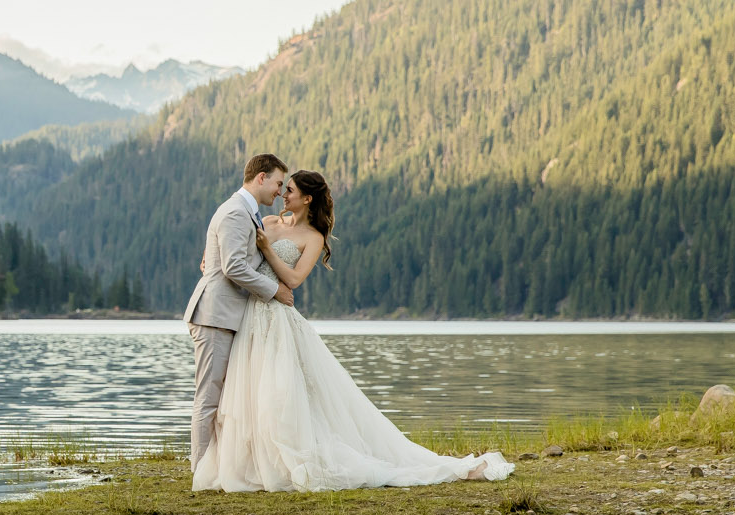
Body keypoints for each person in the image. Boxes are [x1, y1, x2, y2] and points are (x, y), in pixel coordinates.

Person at [193, 169, 513, 491]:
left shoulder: (313, 237)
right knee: (250, 392)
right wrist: (214, 255)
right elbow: (237, 252)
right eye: (282, 188)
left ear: (307, 198)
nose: (282, 195)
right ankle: (250, 459)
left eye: (289, 190)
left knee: (280, 393)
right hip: (249, 316)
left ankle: (287, 459)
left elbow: (292, 281)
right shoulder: (268, 224)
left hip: (277, 317)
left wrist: (268, 250)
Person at [182, 154, 294, 470]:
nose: (279, 191)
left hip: (227, 316)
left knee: (223, 397)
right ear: (260, 177)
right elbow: (233, 267)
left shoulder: (248, 213)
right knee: (209, 397)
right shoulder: (234, 212)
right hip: (214, 315)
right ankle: (200, 471)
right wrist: (276, 291)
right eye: (277, 183)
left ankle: (217, 466)